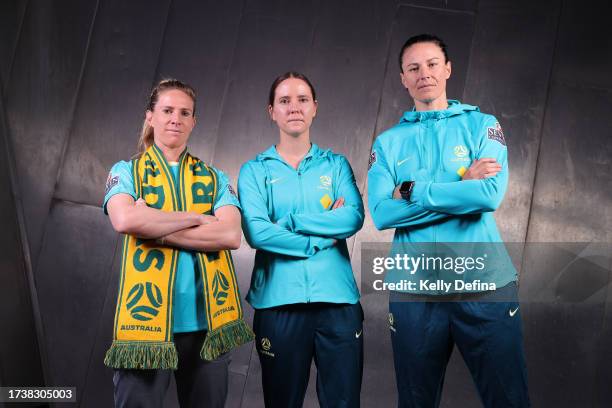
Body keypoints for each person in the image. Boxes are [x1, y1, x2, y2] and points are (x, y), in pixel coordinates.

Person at [368, 34, 530, 407]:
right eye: (413, 68)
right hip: (414, 293)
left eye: (432, 64)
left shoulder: (482, 126)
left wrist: (412, 190)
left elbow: (488, 195)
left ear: (448, 69)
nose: (424, 73)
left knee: (509, 399)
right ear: (403, 79)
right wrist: (461, 187)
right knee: (415, 401)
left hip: (484, 286)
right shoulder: (388, 143)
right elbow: (381, 213)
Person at [102, 78, 253, 408]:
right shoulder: (127, 171)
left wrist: (154, 224)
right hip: (145, 329)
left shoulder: (215, 178)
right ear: (150, 116)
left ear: (193, 122)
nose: (176, 118)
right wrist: (198, 217)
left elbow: (230, 235)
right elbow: (125, 220)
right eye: (167, 110)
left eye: (185, 113)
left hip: (207, 327)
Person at [238, 72, 365, 407]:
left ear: (314, 108)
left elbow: (352, 217)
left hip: (338, 302)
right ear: (272, 111)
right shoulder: (254, 170)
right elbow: (257, 232)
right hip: (278, 305)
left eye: (302, 99)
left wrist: (291, 222)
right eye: (284, 101)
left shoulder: (336, 165)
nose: (294, 107)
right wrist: (321, 237)